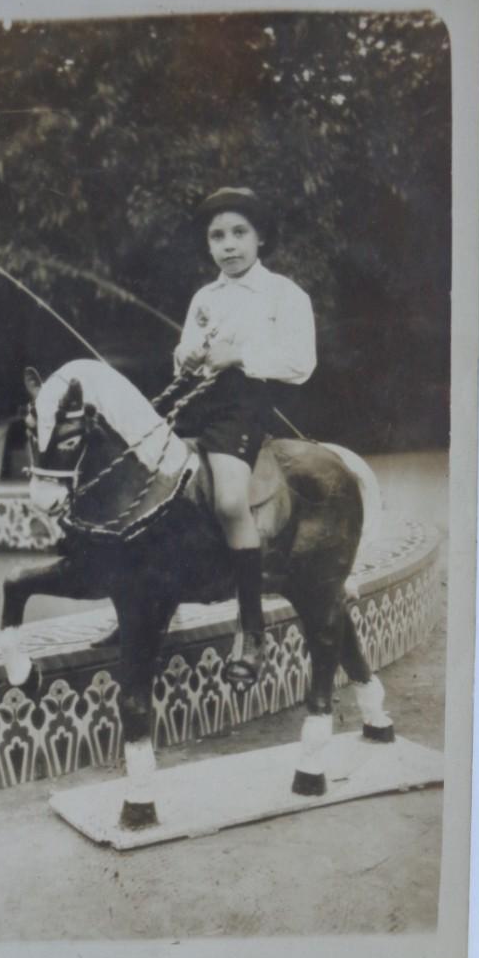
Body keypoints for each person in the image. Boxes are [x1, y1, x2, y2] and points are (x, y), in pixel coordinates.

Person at [173, 187, 316, 684]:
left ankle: (252, 630)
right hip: (195, 404)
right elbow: (185, 352)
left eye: (239, 233)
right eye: (217, 236)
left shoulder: (283, 294)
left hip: (247, 406)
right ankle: (150, 603)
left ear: (260, 238)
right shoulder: (205, 297)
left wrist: (239, 355)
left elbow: (301, 363)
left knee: (230, 501)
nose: (228, 245)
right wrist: (188, 357)